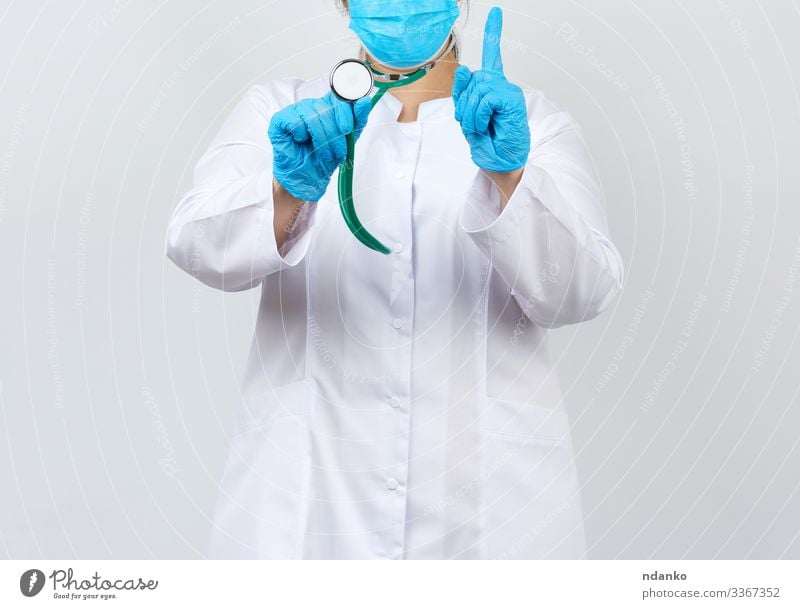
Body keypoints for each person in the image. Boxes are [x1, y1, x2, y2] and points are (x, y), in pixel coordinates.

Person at [166, 0, 624, 559]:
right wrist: (289, 190)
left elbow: (582, 291)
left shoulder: (531, 122)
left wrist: (511, 174)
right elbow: (194, 246)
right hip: (308, 508)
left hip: (486, 513)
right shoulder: (283, 112)